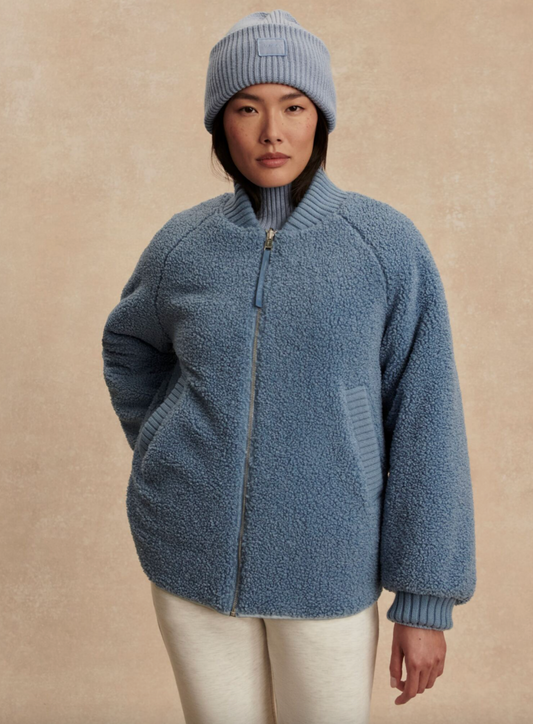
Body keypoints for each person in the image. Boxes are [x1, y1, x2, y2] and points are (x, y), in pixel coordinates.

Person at [101, 9, 477, 724]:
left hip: (330, 562)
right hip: (190, 555)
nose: (271, 131)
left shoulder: (384, 246)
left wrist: (424, 599)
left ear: (320, 118)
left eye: (293, 107)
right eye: (247, 108)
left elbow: (428, 420)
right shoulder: (183, 246)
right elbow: (128, 344)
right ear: (220, 124)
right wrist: (165, 444)